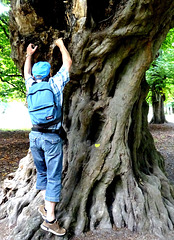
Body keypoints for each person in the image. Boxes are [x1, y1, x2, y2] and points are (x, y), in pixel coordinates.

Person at [24, 38, 72, 236]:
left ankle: (46, 206)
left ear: (36, 75)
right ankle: (50, 219)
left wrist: (29, 55)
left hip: (34, 137)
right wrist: (60, 45)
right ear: (50, 73)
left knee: (42, 174)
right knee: (53, 177)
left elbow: (26, 72)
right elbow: (67, 64)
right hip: (52, 138)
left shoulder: (31, 85)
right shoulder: (54, 84)